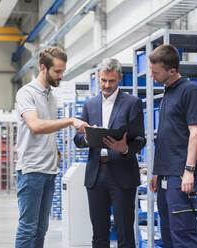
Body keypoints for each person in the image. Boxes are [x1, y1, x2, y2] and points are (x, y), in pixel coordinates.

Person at [15, 46, 88, 248]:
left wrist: (56, 151)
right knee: (28, 227)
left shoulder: (52, 96)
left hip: (49, 170)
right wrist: (70, 121)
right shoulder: (26, 93)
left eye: (63, 71)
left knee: (41, 228)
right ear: (43, 68)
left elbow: (47, 128)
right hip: (31, 170)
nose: (60, 76)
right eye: (57, 71)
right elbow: (36, 126)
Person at [74, 58, 146, 248]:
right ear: (99, 78)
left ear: (120, 78)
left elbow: (140, 138)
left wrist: (125, 149)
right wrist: (88, 138)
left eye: (111, 81)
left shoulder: (132, 103)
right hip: (96, 175)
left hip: (122, 174)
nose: (106, 85)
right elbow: (78, 139)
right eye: (103, 80)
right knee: (99, 235)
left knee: (125, 234)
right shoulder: (89, 105)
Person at [148, 44, 197, 247]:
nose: (152, 76)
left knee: (184, 232)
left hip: (181, 175)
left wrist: (189, 170)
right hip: (165, 174)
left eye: (156, 72)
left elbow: (195, 133)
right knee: (168, 232)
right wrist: (157, 171)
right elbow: (166, 137)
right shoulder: (167, 92)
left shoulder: (190, 91)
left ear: (172, 71)